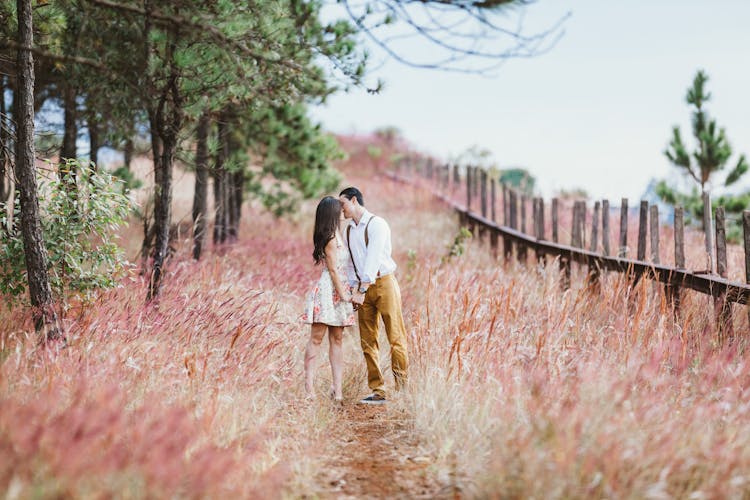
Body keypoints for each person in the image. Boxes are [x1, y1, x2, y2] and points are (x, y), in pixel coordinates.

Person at [339, 187, 408, 405]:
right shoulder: (349, 230)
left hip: (384, 283)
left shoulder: (377, 224)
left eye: (343, 204)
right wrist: (353, 289)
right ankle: (379, 391)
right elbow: (350, 263)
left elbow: (373, 259)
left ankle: (402, 389)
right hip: (362, 288)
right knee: (367, 340)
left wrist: (361, 289)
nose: (341, 210)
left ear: (354, 200)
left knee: (395, 336)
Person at [302, 196, 355, 402]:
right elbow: (332, 269)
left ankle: (337, 389)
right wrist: (343, 295)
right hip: (328, 291)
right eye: (338, 209)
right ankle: (309, 389)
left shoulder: (338, 234)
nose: (342, 211)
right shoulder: (331, 238)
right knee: (316, 338)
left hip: (339, 288)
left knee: (337, 339)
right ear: (331, 213)